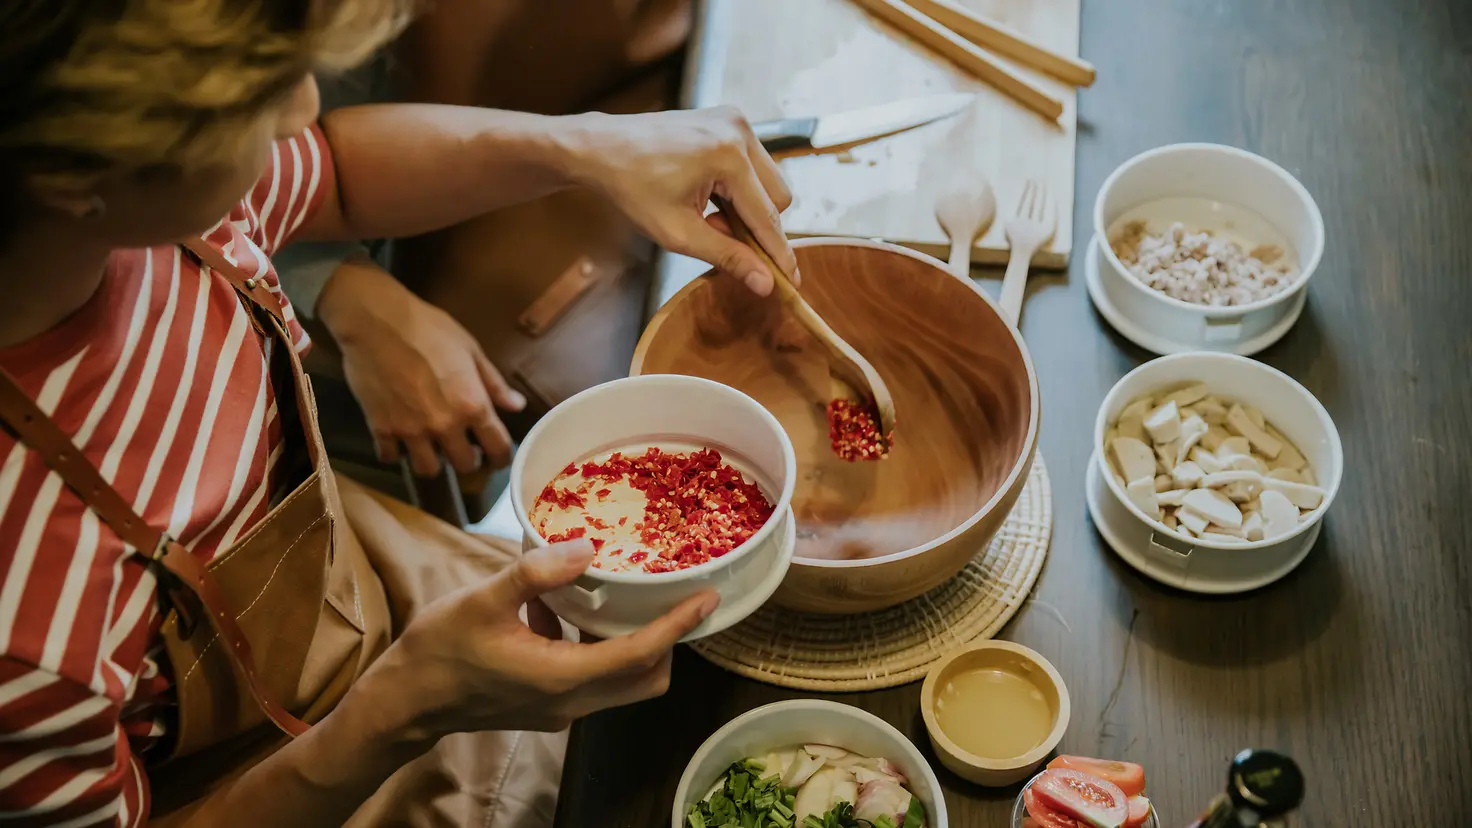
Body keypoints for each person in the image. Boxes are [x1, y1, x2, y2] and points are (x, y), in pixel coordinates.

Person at [0, 1, 797, 826]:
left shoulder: (159, 214)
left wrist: (586, 146)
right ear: (73, 174)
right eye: (254, 98)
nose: (308, 105)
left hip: (366, 592)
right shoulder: (24, 635)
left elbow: (334, 174)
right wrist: (406, 709)